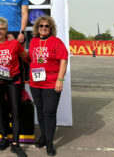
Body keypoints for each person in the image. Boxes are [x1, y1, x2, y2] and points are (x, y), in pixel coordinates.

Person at [0, 17, 29, 157]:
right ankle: (4, 138)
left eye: (2, 29)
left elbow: (26, 58)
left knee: (15, 110)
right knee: (0, 109)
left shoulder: (14, 43)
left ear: (6, 30)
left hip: (13, 81)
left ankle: (15, 144)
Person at [28, 16, 68, 156]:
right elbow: (31, 60)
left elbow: (63, 61)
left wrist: (60, 80)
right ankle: (44, 136)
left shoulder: (56, 42)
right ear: (37, 28)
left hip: (51, 82)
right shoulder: (33, 41)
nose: (43, 28)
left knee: (49, 112)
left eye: (46, 26)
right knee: (40, 110)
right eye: (41, 26)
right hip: (35, 83)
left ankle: (50, 142)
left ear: (51, 28)